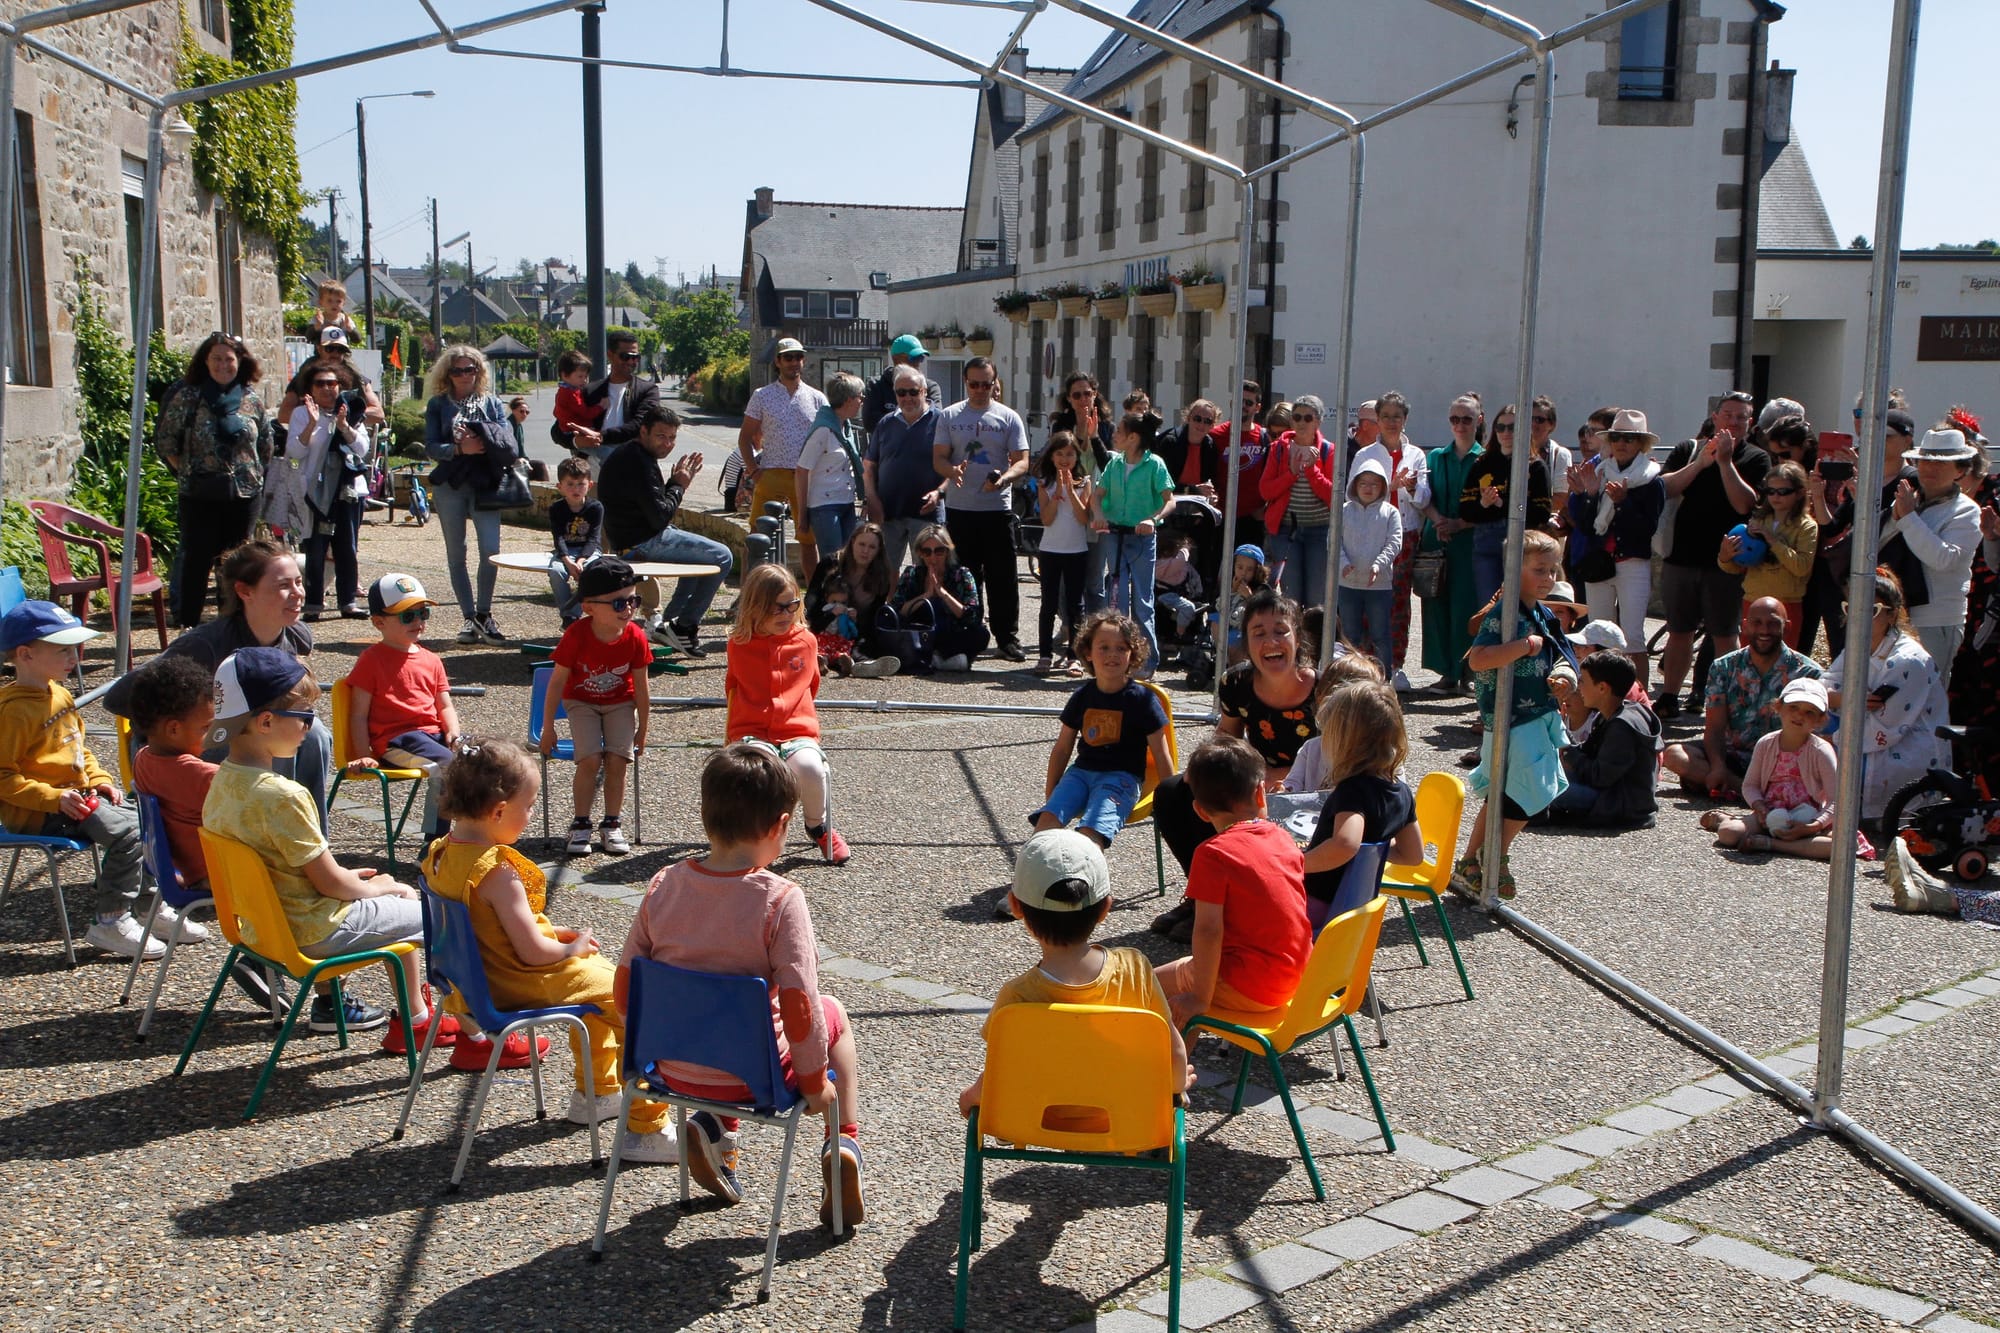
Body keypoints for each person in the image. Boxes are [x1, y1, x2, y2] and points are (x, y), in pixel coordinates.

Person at [618, 743, 868, 1220]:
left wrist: (648, 1054)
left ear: (707, 817)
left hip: (670, 1068)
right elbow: (799, 1004)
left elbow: (626, 985)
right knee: (833, 1011)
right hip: (757, 1080)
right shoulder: (780, 899)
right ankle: (844, 1142)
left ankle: (712, 1127)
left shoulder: (663, 884)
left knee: (713, 1011)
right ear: (779, 826)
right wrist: (814, 1083)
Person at [422, 739, 670, 1159]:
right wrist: (569, 951)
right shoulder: (497, 870)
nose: (532, 814)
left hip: (478, 983)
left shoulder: (441, 854)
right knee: (638, 1002)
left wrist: (555, 933)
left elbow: (487, 926)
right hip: (523, 981)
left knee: (603, 991)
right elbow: (534, 952)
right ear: (499, 811)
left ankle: (597, 1093)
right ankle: (645, 1129)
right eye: (530, 806)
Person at [203, 648, 450, 1047]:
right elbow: (333, 885)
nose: (311, 727)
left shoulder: (221, 783)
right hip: (313, 930)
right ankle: (477, 1031)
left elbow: (294, 871)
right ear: (266, 721)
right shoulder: (283, 795)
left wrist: (368, 887)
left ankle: (416, 1021)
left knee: (396, 902)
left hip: (264, 930)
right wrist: (380, 888)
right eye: (304, 717)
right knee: (444, 913)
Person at [962, 828, 1194, 1123]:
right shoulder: (1135, 970)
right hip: (1126, 1121)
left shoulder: (1016, 996)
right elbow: (1174, 1054)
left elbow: (1000, 1072)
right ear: (1105, 908)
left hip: (1040, 1122)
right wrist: (1175, 1084)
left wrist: (970, 1096)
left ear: (1017, 906)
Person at [104, 540, 337, 829]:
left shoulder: (297, 637)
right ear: (244, 591)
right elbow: (117, 698)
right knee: (270, 730)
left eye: (299, 582)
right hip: (183, 752)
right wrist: (185, 727)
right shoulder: (205, 646)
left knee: (311, 732)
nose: (298, 593)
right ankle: (275, 839)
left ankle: (309, 841)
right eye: (282, 585)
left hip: (248, 739)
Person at [1151, 590, 1316, 943]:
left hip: (1310, 790)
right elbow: (1227, 737)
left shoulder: (1323, 689)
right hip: (1254, 784)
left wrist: (1279, 776)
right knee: (1174, 792)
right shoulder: (1236, 682)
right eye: (1259, 632)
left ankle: (1234, 908)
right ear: (1247, 642)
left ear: (1297, 638)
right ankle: (1204, 896)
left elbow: (1334, 757)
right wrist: (1203, 770)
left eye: (1280, 631)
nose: (1270, 641)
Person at [0, 602, 150, 958]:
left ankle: (147, 905)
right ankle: (111, 920)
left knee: (151, 817)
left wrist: (99, 779)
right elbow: (3, 776)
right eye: (63, 650)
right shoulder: (14, 711)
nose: (74, 657)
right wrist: (54, 798)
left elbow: (79, 749)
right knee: (129, 834)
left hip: (77, 799)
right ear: (26, 654)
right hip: (40, 813)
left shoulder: (60, 693)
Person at [1151, 735, 1311, 1029]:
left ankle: (1168, 1070)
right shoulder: (1283, 838)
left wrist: (1200, 997)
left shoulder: (1213, 855)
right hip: (1301, 980)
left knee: (1144, 987)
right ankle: (1181, 1059)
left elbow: (1208, 930)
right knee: (1184, 980)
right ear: (1261, 794)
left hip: (1252, 986)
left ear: (1199, 810)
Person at [1452, 530, 1576, 902]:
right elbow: (1478, 659)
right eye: (1539, 569)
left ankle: (1473, 861)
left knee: (1506, 793)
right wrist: (1523, 647)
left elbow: (1562, 652)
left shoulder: (1541, 612)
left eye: (1553, 570)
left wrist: (1564, 677)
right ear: (1512, 568)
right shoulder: (1505, 614)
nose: (1548, 578)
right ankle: (1494, 854)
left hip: (1530, 715)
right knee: (1531, 789)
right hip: (1513, 718)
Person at [1654, 391, 1770, 718]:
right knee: (1679, 632)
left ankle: (1724, 702)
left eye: (1741, 417)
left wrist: (1724, 464)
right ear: (1716, 417)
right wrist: (1701, 463)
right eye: (1729, 415)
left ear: (1750, 422)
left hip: (1728, 562)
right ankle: (1669, 697)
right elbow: (1667, 487)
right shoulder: (1688, 450)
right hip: (1681, 556)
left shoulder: (1757, 458)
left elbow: (1744, 505)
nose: (1734, 422)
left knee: (1724, 635)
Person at [727, 565, 850, 865]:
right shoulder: (739, 643)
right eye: (776, 608)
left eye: (792, 605)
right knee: (756, 772)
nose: (785, 614)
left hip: (796, 729)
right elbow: (733, 689)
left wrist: (797, 719)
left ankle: (817, 825)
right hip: (752, 728)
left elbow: (812, 685)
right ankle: (757, 835)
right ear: (756, 607)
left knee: (810, 768)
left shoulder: (806, 640)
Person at [155, 331, 273, 627]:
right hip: (200, 494)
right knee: (197, 560)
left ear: (240, 362)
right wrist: (189, 469)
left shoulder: (251, 399)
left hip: (243, 495)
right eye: (216, 359)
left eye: (229, 359)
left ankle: (231, 623)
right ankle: (190, 625)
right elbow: (166, 442)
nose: (223, 365)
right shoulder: (188, 396)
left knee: (236, 563)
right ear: (205, 362)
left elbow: (265, 445)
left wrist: (253, 474)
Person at [597, 406, 735, 658]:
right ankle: (685, 625)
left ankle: (669, 624)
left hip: (632, 538)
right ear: (644, 431)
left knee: (699, 560)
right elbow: (660, 517)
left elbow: (654, 508)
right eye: (661, 436)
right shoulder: (638, 462)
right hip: (641, 542)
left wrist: (672, 485)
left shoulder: (632, 455)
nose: (667, 443)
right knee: (723, 556)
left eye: (672, 438)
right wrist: (679, 486)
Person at [1032, 609, 1173, 855]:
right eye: (1104, 647)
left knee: (1091, 833)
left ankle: (1084, 884)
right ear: (1088, 652)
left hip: (1122, 778)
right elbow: (1063, 747)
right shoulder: (1082, 697)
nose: (1112, 655)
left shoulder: (1143, 701)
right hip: (1081, 774)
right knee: (1046, 825)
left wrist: (1174, 801)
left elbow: (1162, 754)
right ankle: (1026, 886)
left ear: (1132, 654)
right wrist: (1052, 793)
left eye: (1121, 648)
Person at [540, 558, 652, 857]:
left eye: (633, 601)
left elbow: (641, 687)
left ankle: (612, 823)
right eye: (618, 604)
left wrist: (643, 728)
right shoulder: (576, 635)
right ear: (589, 607)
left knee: (618, 760)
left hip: (620, 703)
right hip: (581, 702)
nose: (628, 609)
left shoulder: (636, 637)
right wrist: (548, 727)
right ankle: (581, 823)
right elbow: (556, 683)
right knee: (589, 760)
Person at [1661, 597, 1821, 800]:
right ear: (1745, 626)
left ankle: (1738, 790)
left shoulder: (1808, 673)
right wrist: (1718, 766)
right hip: (1734, 757)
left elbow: (1815, 736)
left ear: (1786, 627)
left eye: (1773, 624)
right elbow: (1715, 727)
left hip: (1783, 761)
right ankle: (1751, 793)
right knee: (1675, 755)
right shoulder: (1724, 667)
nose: (1764, 630)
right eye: (1757, 623)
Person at [1823, 569, 1948, 821]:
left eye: (1872, 610)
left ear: (1891, 615)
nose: (1860, 617)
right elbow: (1820, 688)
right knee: (1803, 718)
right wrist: (1843, 699)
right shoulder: (1859, 646)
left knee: (1816, 746)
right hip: (1861, 728)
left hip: (1901, 745)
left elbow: (1885, 728)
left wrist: (1829, 738)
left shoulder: (1908, 661)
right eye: (1853, 607)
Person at [343, 574, 460, 840]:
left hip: (433, 737)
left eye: (423, 613)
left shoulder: (431, 659)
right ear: (378, 622)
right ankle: (434, 845)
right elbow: (358, 715)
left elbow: (445, 706)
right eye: (408, 616)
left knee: (484, 762)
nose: (418, 622)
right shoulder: (370, 660)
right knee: (447, 767)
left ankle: (472, 840)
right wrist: (363, 753)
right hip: (397, 740)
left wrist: (453, 732)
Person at [1298, 681, 1421, 932]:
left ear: (1345, 741)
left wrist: (1295, 862)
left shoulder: (1353, 791)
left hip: (1312, 910)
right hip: (1352, 915)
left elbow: (1345, 844)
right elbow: (1413, 855)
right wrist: (1370, 857)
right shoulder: (1402, 793)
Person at [934, 357, 1031, 662]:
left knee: (1003, 576)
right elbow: (938, 458)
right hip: (961, 510)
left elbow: (1022, 461)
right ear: (966, 383)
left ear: (994, 383)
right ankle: (969, 636)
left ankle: (1007, 638)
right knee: (965, 576)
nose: (979, 389)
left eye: (985, 384)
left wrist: (1003, 479)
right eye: (973, 384)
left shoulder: (1008, 417)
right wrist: (952, 472)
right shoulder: (950, 415)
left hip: (996, 509)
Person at [1568, 408, 1664, 688]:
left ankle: (1640, 701)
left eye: (1630, 438)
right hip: (1600, 562)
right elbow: (1586, 526)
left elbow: (1647, 528)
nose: (1622, 443)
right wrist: (1586, 495)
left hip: (1632, 562)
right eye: (1617, 437)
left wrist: (1622, 501)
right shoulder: (1599, 471)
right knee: (1598, 633)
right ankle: (1597, 696)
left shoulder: (1652, 478)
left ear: (1641, 445)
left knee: (1633, 636)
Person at [422, 345, 512, 646]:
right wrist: (459, 448)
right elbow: (431, 447)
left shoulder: (492, 402)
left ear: (479, 371)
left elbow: (506, 439)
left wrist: (482, 441)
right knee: (456, 554)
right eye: (457, 370)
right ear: (448, 374)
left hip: (485, 481)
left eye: (469, 369)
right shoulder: (438, 405)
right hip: (451, 483)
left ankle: (485, 613)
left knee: (490, 550)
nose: (464, 375)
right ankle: (469, 616)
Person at [1880, 427, 1982, 689]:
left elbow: (1944, 559)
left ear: (1960, 470)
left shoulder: (1967, 511)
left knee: (1926, 696)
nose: (1929, 469)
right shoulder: (1908, 500)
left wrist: (1909, 518)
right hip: (1894, 614)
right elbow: (1878, 543)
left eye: (1941, 463)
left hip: (1935, 619)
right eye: (1925, 461)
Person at [1710, 677, 1850, 861]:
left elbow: (1835, 799)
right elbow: (1750, 785)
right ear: (1778, 707)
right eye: (1793, 707)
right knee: (1728, 833)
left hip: (1808, 816)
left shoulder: (1821, 751)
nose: (1799, 716)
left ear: (1820, 720)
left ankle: (1772, 844)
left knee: (1839, 848)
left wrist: (1814, 826)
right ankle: (1730, 821)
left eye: (1809, 712)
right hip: (1770, 813)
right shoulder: (1766, 744)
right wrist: (1759, 807)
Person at [1348, 392, 1429, 690]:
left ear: (1405, 419)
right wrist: (1388, 488)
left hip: (1405, 534)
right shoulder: (1365, 455)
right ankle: (1366, 663)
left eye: (1397, 417)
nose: (1392, 422)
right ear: (1377, 421)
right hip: (1370, 534)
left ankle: (1395, 664)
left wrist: (1409, 489)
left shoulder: (1416, 455)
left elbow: (1423, 498)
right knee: (1368, 597)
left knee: (1398, 601)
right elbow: (1352, 495)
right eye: (1386, 417)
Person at [126, 653, 221, 901]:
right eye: (205, 728)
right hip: (217, 873)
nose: (211, 735)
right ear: (174, 729)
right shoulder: (201, 775)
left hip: (187, 871)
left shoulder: (143, 758)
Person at [285, 362, 372, 621]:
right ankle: (313, 603)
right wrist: (311, 424)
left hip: (347, 491)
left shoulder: (352, 411)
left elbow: (362, 450)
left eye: (332, 383)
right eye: (320, 383)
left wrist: (345, 426)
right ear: (310, 388)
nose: (327, 388)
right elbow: (294, 453)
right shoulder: (301, 414)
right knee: (314, 548)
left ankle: (347, 601)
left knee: (347, 547)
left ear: (340, 386)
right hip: (314, 492)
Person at [1096, 410, 1176, 677]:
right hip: (1115, 534)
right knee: (1116, 599)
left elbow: (1169, 500)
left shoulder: (1155, 464)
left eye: (1119, 431)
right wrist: (1098, 515)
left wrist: (1153, 519)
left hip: (1141, 538)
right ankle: (1117, 659)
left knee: (1142, 601)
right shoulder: (1114, 463)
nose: (1114, 436)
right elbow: (1098, 494)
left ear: (1133, 437)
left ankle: (1147, 661)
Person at [1547, 649, 1662, 829]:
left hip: (1621, 805)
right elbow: (1586, 752)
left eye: (1582, 681)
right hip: (1612, 794)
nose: (1578, 688)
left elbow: (1599, 777)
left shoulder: (1622, 726)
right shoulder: (1611, 714)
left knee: (1544, 790)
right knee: (1542, 777)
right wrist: (1562, 731)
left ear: (1602, 688)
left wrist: (1568, 751)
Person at [1420, 393, 1486, 693]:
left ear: (1478, 421)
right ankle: (1445, 671)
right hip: (1438, 537)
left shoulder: (1485, 460)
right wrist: (1438, 520)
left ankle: (1469, 671)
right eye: (1455, 419)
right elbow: (1424, 497)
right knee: (1436, 605)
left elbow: (1493, 505)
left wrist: (1460, 523)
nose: (1460, 425)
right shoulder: (1434, 457)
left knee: (1468, 608)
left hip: (1471, 542)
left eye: (1466, 419)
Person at [739, 337, 830, 553]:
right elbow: (744, 438)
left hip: (806, 477)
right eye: (788, 357)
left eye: (798, 357)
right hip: (771, 472)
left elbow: (828, 439)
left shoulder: (817, 398)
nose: (793, 362)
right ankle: (751, 585)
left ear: (803, 361)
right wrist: (754, 471)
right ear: (778, 361)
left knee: (809, 540)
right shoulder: (762, 395)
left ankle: (812, 587)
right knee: (757, 538)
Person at [1460, 404, 1553, 613]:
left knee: (1520, 607)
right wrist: (1484, 504)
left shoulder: (1536, 466)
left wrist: (1503, 504)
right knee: (1489, 608)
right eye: (1500, 428)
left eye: (1512, 427)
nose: (1506, 433)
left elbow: (1542, 512)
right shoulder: (1481, 464)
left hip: (1523, 543)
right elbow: (1465, 510)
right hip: (1487, 543)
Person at [1722, 459, 1818, 646]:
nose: (1776, 496)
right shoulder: (1759, 520)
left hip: (1786, 603)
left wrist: (1772, 541)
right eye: (1770, 491)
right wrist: (1725, 556)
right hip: (1753, 600)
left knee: (1781, 665)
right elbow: (1735, 568)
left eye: (1783, 491)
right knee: (1749, 662)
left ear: (1799, 493)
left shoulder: (1807, 526)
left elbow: (1801, 567)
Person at [1259, 395, 1337, 611]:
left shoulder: (1328, 450)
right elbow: (1265, 491)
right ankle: (1293, 644)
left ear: (1318, 422)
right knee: (1291, 597)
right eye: (1297, 417)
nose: (1302, 422)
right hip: (1286, 531)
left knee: (1316, 599)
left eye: (1308, 418)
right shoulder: (1278, 449)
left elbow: (1333, 495)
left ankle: (1313, 643)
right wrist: (1291, 473)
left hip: (1320, 532)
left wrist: (1312, 471)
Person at [863, 364, 945, 570]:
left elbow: (954, 467)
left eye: (913, 392)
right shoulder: (885, 423)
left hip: (927, 515)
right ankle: (889, 604)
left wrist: (939, 492)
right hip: (888, 513)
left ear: (924, 391)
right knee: (884, 573)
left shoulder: (942, 422)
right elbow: (869, 466)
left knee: (928, 572)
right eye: (901, 392)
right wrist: (872, 499)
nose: (907, 398)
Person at [1048, 372, 1115, 612]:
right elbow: (1057, 459)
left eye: (1088, 393)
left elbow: (1108, 465)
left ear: (1095, 395)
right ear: (1069, 398)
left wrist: (1094, 435)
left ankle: (1096, 628)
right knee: (1069, 574)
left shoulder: (1107, 426)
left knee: (1095, 576)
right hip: (1069, 501)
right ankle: (1068, 625)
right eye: (1077, 395)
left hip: (1098, 505)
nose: (1083, 399)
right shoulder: (1061, 425)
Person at [1034, 431, 1097, 675]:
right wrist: (1057, 492)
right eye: (1059, 453)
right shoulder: (1044, 483)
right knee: (1048, 604)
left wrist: (1071, 491)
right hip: (1050, 550)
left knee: (1075, 605)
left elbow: (1083, 518)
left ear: (1076, 456)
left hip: (1076, 550)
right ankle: (1044, 654)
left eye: (1069, 453)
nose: (1064, 458)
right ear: (1051, 456)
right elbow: (1047, 520)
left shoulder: (1085, 482)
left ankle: (1074, 656)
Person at [805, 523, 901, 678]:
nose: (865, 551)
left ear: (878, 551)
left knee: (862, 646)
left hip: (855, 629)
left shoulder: (881, 577)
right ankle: (822, 660)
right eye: (861, 544)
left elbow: (872, 618)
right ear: (852, 543)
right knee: (815, 641)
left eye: (872, 547)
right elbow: (811, 599)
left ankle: (860, 664)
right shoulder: (830, 563)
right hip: (823, 622)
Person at [889, 525, 990, 672]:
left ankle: (934, 658)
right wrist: (926, 596)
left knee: (981, 635)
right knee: (930, 607)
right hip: (920, 632)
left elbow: (972, 615)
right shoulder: (911, 574)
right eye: (927, 552)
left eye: (939, 551)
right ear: (919, 553)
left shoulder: (962, 575)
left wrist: (943, 593)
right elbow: (897, 611)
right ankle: (944, 660)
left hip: (950, 633)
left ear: (948, 552)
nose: (933, 557)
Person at [1337, 457, 1402, 676]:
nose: (1368, 488)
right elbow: (1333, 541)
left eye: (1374, 483)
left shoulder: (1390, 513)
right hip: (1347, 585)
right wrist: (1344, 564)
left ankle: (1384, 679)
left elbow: (1394, 542)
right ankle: (1350, 677)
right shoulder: (1344, 510)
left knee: (1380, 635)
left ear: (1383, 486)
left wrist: (1378, 565)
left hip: (1379, 586)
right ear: (1354, 485)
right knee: (1349, 635)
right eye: (1363, 482)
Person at [795, 372, 867, 568]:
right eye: (861, 396)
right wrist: (802, 514)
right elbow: (801, 471)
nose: (862, 401)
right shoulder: (824, 430)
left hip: (846, 501)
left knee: (849, 561)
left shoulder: (845, 428)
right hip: (824, 506)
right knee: (832, 563)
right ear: (849, 400)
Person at [581, 331, 661, 460]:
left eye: (635, 357)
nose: (631, 361)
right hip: (592, 462)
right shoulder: (590, 390)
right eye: (625, 356)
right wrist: (576, 440)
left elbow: (641, 425)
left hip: (631, 460)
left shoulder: (648, 390)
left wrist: (601, 436)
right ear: (610, 355)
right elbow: (561, 427)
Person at [1211, 380, 1269, 549]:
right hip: (1221, 516)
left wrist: (1265, 508)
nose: (1243, 406)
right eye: (1239, 401)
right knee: (1215, 572)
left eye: (1248, 402)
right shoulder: (1216, 435)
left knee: (1250, 572)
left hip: (1252, 519)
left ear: (1257, 407)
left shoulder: (1264, 438)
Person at [547, 457, 604, 624]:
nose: (576, 489)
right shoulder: (556, 508)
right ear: (560, 487)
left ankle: (577, 613)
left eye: (581, 484)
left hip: (589, 552)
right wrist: (566, 560)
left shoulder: (596, 507)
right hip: (565, 551)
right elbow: (558, 537)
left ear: (589, 485)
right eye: (570, 484)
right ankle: (569, 615)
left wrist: (580, 560)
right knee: (556, 571)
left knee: (590, 573)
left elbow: (594, 539)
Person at [860, 332, 940, 434]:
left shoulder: (930, 387)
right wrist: (914, 418)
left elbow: (935, 420)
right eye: (914, 358)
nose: (918, 363)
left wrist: (895, 419)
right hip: (887, 448)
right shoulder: (876, 385)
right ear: (897, 359)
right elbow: (871, 423)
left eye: (921, 358)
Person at [552, 349, 606, 459]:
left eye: (586, 376)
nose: (585, 380)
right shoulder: (571, 394)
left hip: (567, 429)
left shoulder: (564, 390)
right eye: (580, 376)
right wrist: (600, 406)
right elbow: (585, 413)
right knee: (590, 451)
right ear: (565, 375)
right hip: (575, 430)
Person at [1153, 530, 1204, 643]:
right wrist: (1186, 547)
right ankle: (1180, 633)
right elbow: (1181, 559)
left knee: (1199, 606)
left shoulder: (1177, 564)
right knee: (1188, 607)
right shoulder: (1161, 564)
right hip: (1165, 596)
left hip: (1177, 594)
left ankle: (1192, 628)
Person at [303, 279, 361, 345]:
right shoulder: (318, 319)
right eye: (329, 301)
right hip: (322, 353)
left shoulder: (345, 320)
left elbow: (357, 340)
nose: (334, 304)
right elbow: (307, 338)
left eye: (338, 301)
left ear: (344, 303)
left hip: (341, 353)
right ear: (321, 302)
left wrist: (350, 329)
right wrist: (317, 326)